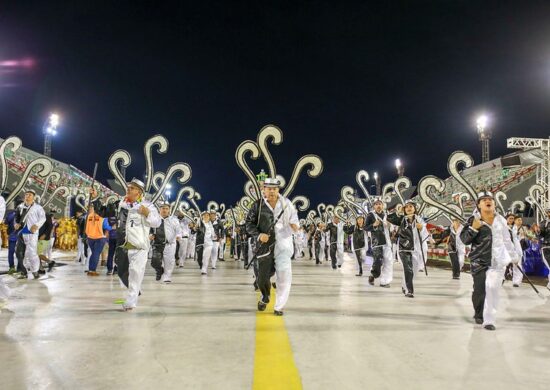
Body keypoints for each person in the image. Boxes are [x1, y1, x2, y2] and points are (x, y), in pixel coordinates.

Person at [460, 191, 518, 330]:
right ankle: (478, 313)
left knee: (492, 288)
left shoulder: (501, 220)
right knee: (479, 290)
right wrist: (474, 228)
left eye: (490, 199)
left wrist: (513, 256)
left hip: (497, 262)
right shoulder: (472, 220)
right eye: (484, 199)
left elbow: (507, 241)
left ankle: (489, 320)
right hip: (478, 260)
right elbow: (464, 240)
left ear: (494, 203)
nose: (488, 201)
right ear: (479, 204)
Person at [245, 177, 299, 316]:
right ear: (264, 189)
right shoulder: (257, 205)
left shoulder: (287, 204)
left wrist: (294, 226)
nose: (272, 191)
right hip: (264, 246)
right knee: (262, 277)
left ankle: (279, 306)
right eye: (269, 188)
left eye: (274, 189)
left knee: (284, 276)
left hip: (283, 244)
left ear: (278, 189)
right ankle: (265, 296)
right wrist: (258, 235)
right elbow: (248, 224)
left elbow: (294, 221)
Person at [114, 178, 161, 311]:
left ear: (139, 192)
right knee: (123, 272)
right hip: (124, 246)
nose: (128, 189)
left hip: (140, 247)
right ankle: (134, 291)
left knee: (135, 272)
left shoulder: (148, 206)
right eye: (128, 187)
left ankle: (131, 300)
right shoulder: (122, 204)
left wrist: (147, 214)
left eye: (132, 188)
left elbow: (157, 222)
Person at [387, 201, 426, 297]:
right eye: (406, 207)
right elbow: (389, 218)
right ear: (404, 209)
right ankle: (410, 290)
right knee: (408, 269)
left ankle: (404, 285)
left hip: (416, 249)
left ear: (415, 208)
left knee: (414, 271)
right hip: (404, 248)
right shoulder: (401, 219)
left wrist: (421, 229)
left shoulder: (420, 220)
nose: (409, 208)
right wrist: (398, 212)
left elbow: (425, 235)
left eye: (411, 206)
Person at [14, 190, 46, 279]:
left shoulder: (38, 208)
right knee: (19, 253)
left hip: (32, 233)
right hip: (21, 233)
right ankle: (23, 271)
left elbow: (43, 218)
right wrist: (16, 224)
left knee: (32, 253)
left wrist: (36, 225)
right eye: (26, 195)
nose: (27, 196)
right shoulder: (20, 207)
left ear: (34, 197)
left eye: (30, 195)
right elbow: (16, 218)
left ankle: (35, 271)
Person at [365, 199, 393, 287]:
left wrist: (390, 225)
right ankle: (373, 274)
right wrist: (373, 225)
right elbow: (365, 227)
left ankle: (385, 281)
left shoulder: (387, 215)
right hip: (377, 242)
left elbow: (392, 228)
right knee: (378, 261)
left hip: (387, 242)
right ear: (374, 206)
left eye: (380, 204)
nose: (378, 206)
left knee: (388, 262)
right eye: (376, 204)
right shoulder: (370, 215)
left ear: (383, 205)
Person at [150, 203, 182, 283]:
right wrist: (150, 235)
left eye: (166, 208)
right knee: (155, 261)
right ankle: (159, 270)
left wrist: (178, 236)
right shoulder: (155, 219)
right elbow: (150, 229)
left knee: (169, 261)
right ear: (159, 210)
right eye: (163, 208)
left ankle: (167, 276)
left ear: (169, 210)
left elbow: (178, 230)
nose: (164, 210)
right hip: (157, 244)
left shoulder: (174, 220)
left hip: (170, 244)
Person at [85, 204, 112, 276]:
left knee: (94, 253)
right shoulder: (102, 218)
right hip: (100, 237)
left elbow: (86, 226)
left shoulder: (89, 216)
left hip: (90, 237)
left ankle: (90, 269)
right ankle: (92, 270)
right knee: (96, 254)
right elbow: (108, 227)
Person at [538, 208, 550, 289]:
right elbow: (540, 234)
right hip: (546, 246)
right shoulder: (543, 223)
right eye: (548, 212)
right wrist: (538, 231)